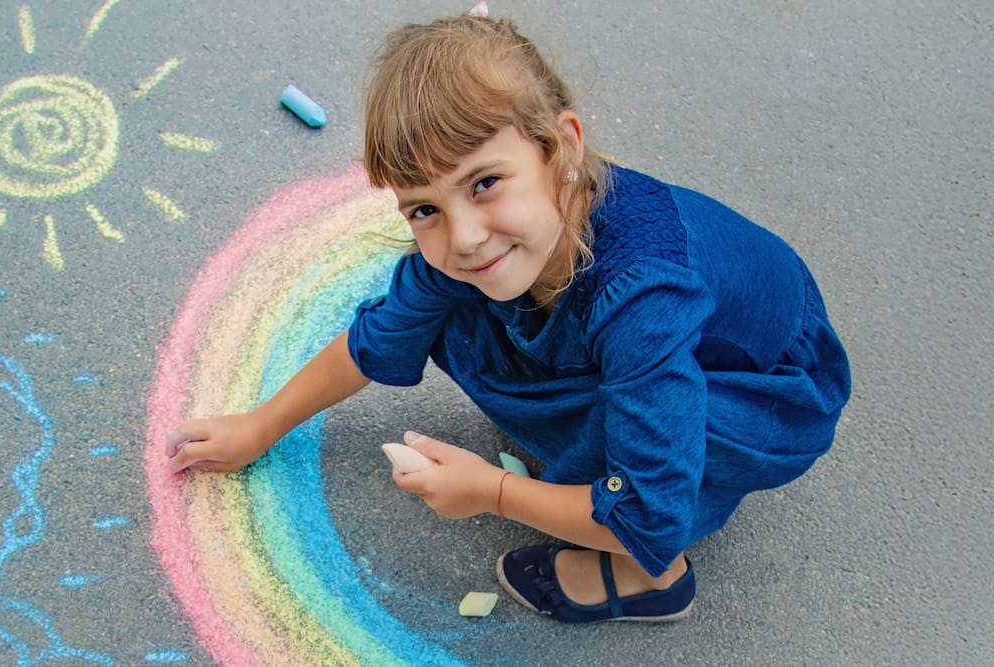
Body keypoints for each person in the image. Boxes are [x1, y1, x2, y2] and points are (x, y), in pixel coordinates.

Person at [166, 10, 851, 624]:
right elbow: (375, 341)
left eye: (484, 183)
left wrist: (493, 490)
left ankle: (650, 579)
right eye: (425, 208)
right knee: (456, 309)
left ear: (562, 146)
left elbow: (650, 509)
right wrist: (261, 426)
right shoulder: (489, 245)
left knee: (640, 484)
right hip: (660, 347)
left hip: (768, 393)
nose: (463, 236)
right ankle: (588, 444)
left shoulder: (644, 296)